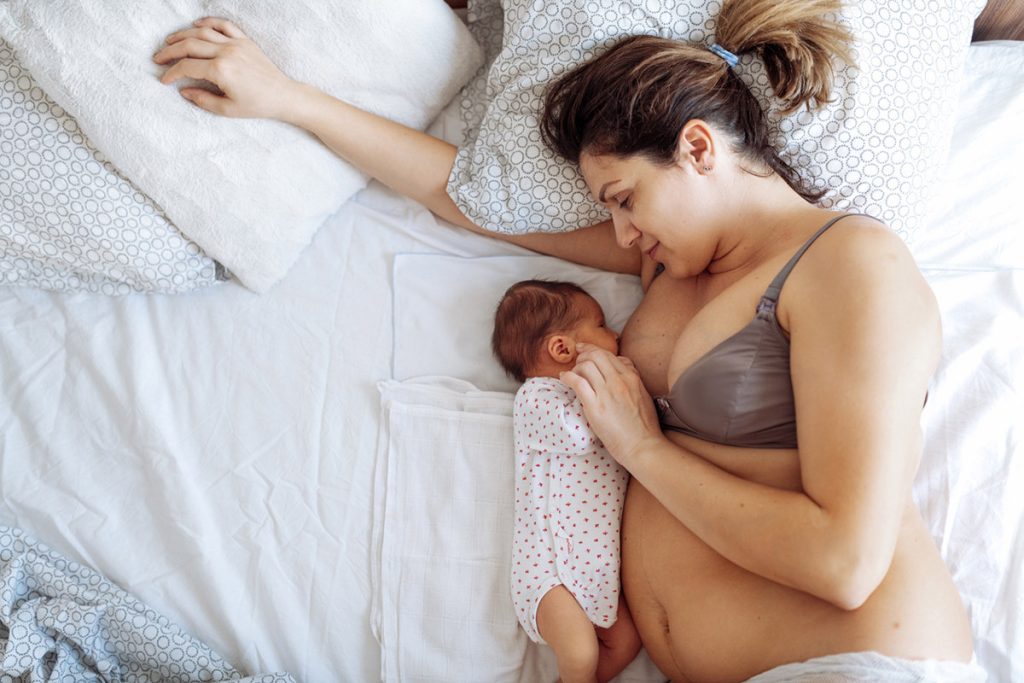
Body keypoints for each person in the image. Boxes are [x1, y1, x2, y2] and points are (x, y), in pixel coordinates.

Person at [153, 0, 985, 679]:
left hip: (864, 664)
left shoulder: (851, 263)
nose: (620, 236)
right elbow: (467, 197)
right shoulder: (674, 272)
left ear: (697, 149)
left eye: (624, 197)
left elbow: (845, 559)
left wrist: (641, 447)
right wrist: (287, 98)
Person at [493, 279, 641, 683]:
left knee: (625, 641)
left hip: (596, 569)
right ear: (562, 349)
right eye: (601, 325)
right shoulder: (537, 397)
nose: (615, 334)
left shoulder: (576, 394)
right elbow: (580, 436)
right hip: (548, 570)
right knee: (579, 651)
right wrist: (611, 382)